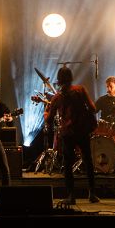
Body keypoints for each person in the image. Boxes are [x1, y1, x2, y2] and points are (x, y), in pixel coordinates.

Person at [44, 65, 100, 204]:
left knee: (68, 165)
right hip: (82, 131)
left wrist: (46, 112)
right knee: (88, 162)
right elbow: (93, 108)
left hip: (68, 133)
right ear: (71, 78)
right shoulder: (80, 90)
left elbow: (49, 120)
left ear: (58, 80)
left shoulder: (57, 98)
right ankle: (92, 194)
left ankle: (71, 196)